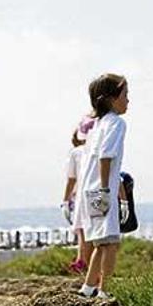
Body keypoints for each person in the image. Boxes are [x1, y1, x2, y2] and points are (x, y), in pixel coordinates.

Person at [73, 73, 130, 299]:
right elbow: (106, 158)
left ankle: (88, 287)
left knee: (100, 241)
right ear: (110, 98)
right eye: (125, 95)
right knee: (111, 243)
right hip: (101, 189)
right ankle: (105, 290)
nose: (128, 100)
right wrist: (107, 190)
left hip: (89, 190)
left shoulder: (96, 125)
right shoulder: (116, 123)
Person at [61, 116, 94, 273]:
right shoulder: (95, 150)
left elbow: (71, 180)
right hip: (95, 195)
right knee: (93, 234)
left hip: (80, 197)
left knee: (82, 232)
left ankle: (82, 262)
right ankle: (88, 265)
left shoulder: (75, 153)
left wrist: (65, 201)